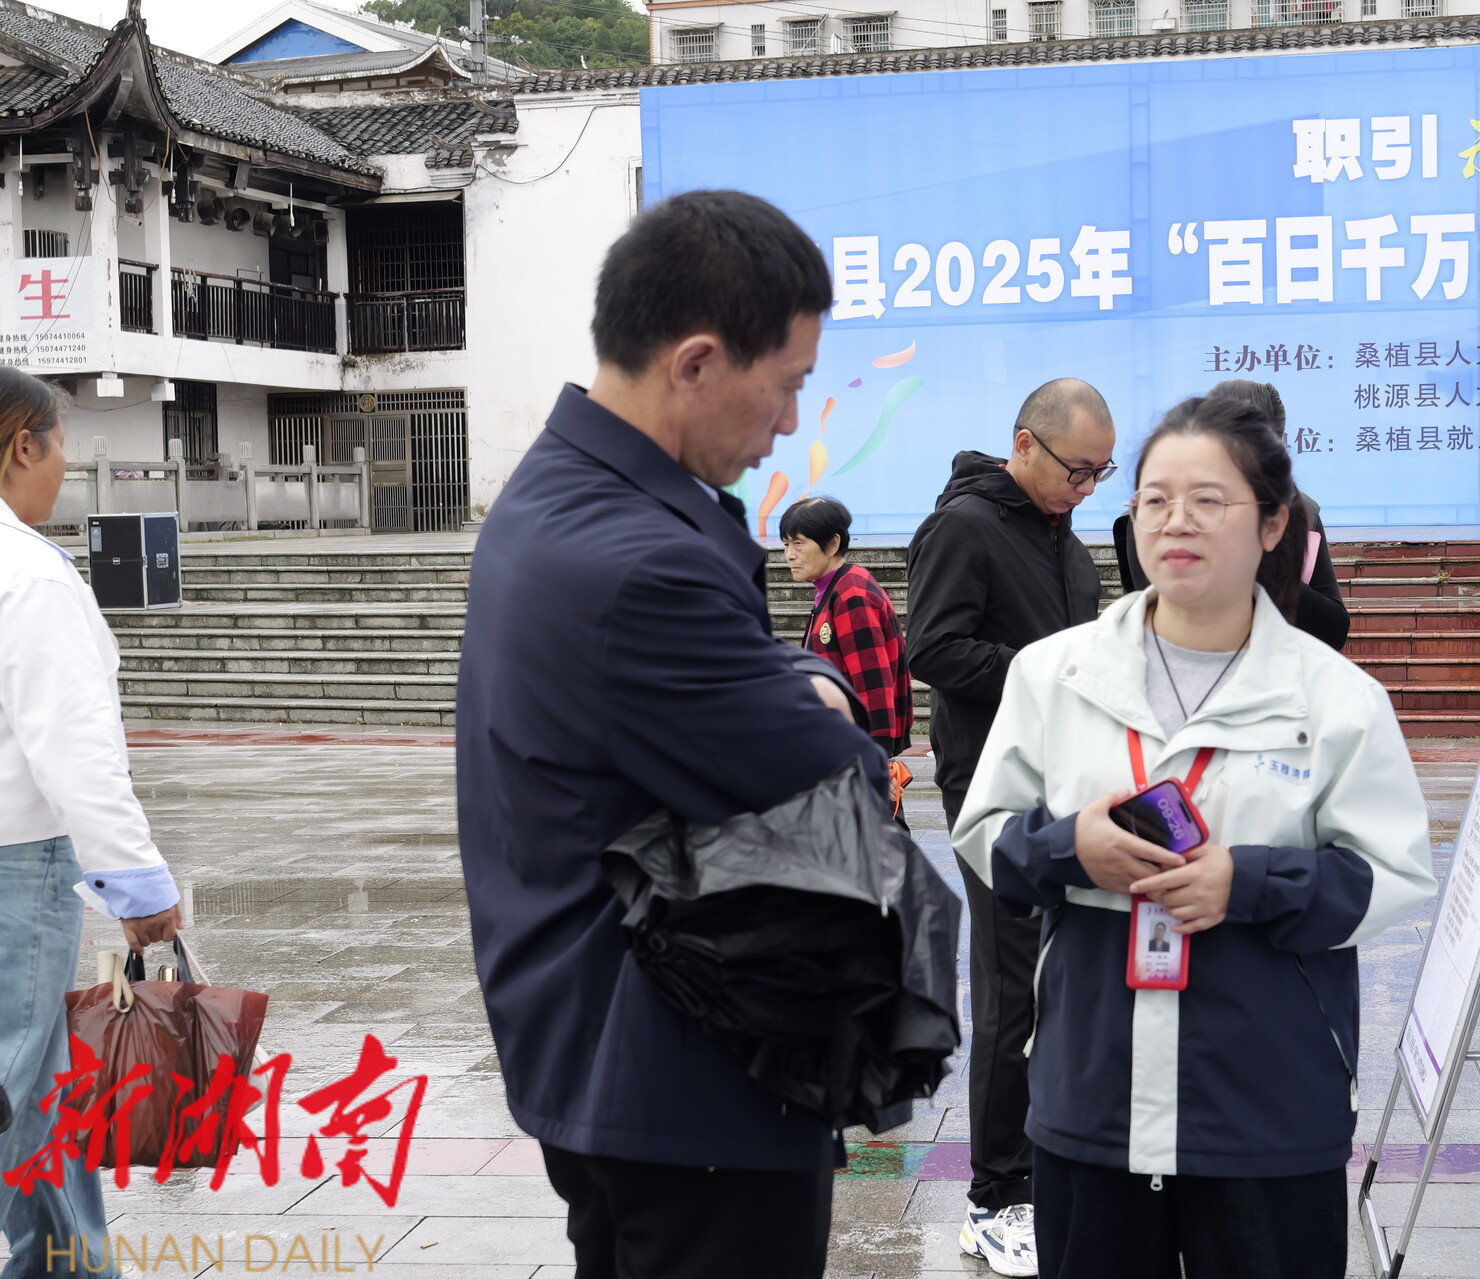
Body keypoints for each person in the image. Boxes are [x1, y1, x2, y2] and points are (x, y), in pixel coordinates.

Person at [457, 191, 892, 1279]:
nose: (789, 421)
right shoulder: (642, 562)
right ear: (695, 362)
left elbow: (750, 678)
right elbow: (843, 786)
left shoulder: (557, 496)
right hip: (688, 1069)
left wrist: (803, 677)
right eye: (786, 384)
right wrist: (829, 707)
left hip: (595, 1045)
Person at [955, 394, 1435, 1279]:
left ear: (1273, 523)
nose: (1176, 520)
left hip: (1264, 1110)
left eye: (1209, 499)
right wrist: (1071, 848)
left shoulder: (1335, 698)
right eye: (1155, 498)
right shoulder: (1054, 674)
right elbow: (985, 832)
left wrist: (1246, 883)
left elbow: (1394, 873)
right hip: (1092, 1099)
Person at [906, 378, 1115, 1276]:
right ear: (1025, 444)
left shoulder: (1062, 535)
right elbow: (933, 647)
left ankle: (1049, 1161)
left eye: (1101, 473)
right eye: (1077, 469)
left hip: (1068, 779)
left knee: (1062, 971)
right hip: (993, 783)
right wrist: (1048, 672)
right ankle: (995, 1197)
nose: (1086, 488)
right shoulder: (965, 526)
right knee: (1008, 981)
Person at [0, 368, 181, 1279]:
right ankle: (63, 1264)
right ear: (22, 444)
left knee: (25, 1078)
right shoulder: (29, 575)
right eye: (60, 442)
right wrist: (135, 881)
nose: (64, 464)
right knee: (23, 1079)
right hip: (17, 858)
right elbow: (73, 749)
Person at [1112, 380, 1349, 650]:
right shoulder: (1146, 520)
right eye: (1154, 500)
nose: (1176, 524)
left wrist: (1265, 565)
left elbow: (1333, 628)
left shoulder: (1302, 513)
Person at [781, 495, 914, 758]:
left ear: (832, 544)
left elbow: (873, 683)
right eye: (786, 544)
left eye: (798, 544)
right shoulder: (834, 588)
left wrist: (875, 756)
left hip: (854, 747)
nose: (789, 555)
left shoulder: (852, 594)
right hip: (838, 740)